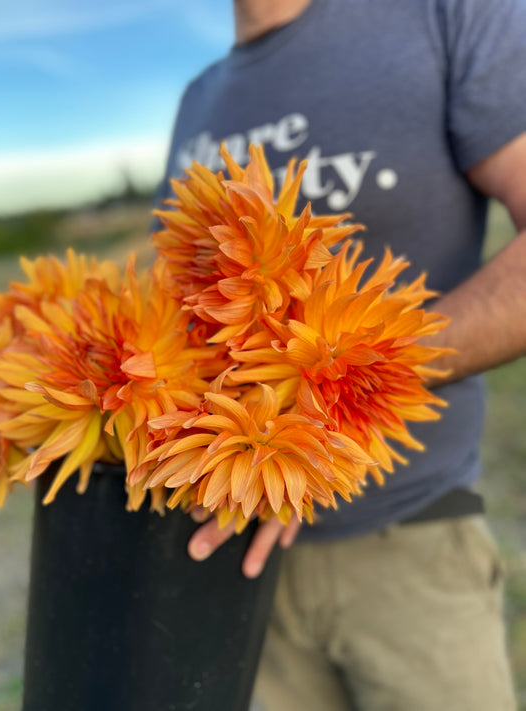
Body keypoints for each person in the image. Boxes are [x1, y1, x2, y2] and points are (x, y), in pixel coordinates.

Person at [156, 1, 526, 708]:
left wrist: (337, 385)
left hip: (410, 543)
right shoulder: (196, 97)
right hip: (233, 561)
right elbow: (171, 299)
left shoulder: (444, 17)